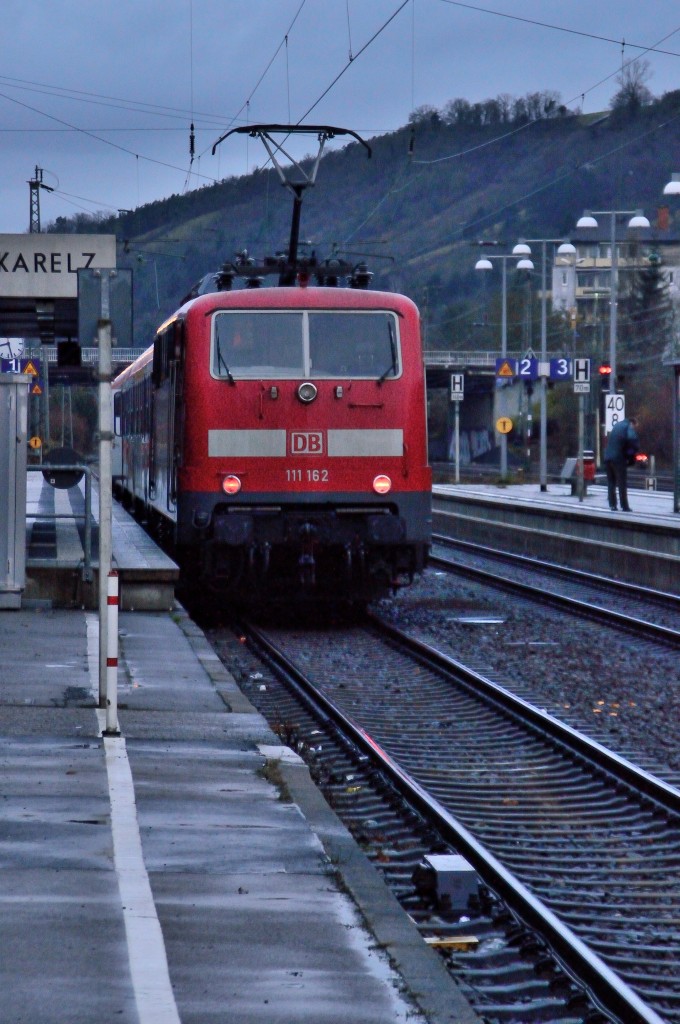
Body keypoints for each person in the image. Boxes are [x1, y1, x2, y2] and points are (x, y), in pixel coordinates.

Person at [603, 416, 639, 512]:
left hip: (608, 457)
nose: (634, 429)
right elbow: (632, 441)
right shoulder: (628, 426)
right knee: (621, 482)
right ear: (632, 423)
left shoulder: (617, 425)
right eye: (635, 427)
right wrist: (631, 456)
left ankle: (612, 505)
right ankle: (624, 506)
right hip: (618, 458)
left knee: (611, 482)